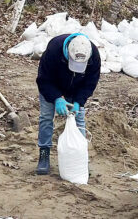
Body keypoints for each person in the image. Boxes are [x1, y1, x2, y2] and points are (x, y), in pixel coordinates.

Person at [35, 33, 101, 175]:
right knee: (46, 117)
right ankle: (44, 153)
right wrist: (57, 98)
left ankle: (80, 157)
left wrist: (79, 101)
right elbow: (43, 79)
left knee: (79, 120)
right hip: (53, 85)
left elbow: (90, 83)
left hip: (76, 88)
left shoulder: (93, 55)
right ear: (67, 53)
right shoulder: (54, 49)